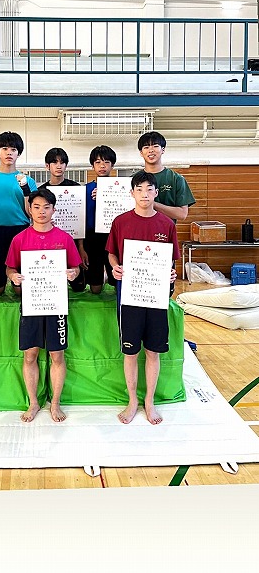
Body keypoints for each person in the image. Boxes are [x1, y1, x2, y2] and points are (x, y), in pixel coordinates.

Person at [106, 170, 180, 426]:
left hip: (156, 297)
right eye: (139, 189)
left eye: (149, 189)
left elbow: (171, 261)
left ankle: (149, 401)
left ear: (156, 193)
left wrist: (171, 274)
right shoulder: (121, 222)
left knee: (152, 352)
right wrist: (115, 267)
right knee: (130, 352)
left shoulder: (167, 224)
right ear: (132, 193)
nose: (145, 194)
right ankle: (132, 401)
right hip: (130, 296)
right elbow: (112, 254)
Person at [5, 188, 81, 423]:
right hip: (31, 303)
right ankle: (34, 402)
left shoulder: (64, 238)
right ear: (30, 209)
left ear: (53, 210)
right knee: (30, 355)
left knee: (57, 355)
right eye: (36, 207)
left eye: (46, 207)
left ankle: (55, 403)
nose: (41, 211)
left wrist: (73, 273)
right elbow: (10, 267)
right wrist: (13, 276)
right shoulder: (20, 239)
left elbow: (76, 267)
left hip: (56, 304)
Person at [0, 131, 38, 296]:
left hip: (21, 231)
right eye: (5, 149)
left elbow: (32, 213)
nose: (9, 153)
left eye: (13, 149)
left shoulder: (28, 181)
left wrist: (26, 190)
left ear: (18, 153)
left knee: (21, 288)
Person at [76, 145, 117, 294]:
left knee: (116, 280)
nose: (102, 166)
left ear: (112, 165)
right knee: (95, 288)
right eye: (98, 162)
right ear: (92, 165)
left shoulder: (121, 189)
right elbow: (80, 220)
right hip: (92, 237)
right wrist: (81, 247)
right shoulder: (85, 189)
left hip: (113, 236)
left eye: (106, 162)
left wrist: (107, 196)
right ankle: (100, 281)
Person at [137, 131, 195, 223]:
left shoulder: (176, 179)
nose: (151, 150)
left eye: (155, 146)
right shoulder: (132, 180)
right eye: (146, 147)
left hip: (165, 230)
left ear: (163, 150)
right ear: (141, 152)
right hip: (138, 230)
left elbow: (182, 214)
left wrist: (152, 204)